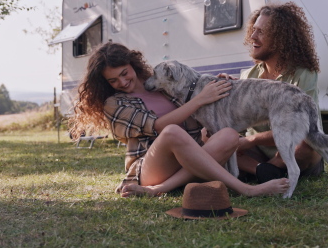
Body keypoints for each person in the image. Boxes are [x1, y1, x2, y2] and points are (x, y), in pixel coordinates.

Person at [70, 42, 289, 197]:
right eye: (113, 80)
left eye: (125, 73)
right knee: (172, 132)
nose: (123, 81)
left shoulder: (162, 84)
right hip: (152, 166)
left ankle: (160, 190)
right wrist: (201, 99)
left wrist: (218, 87)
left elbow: (200, 104)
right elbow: (158, 126)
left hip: (192, 157)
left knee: (229, 135)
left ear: (132, 64)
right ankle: (246, 189)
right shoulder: (115, 104)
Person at [237, 2, 324, 183]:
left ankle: (268, 170)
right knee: (217, 137)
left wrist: (252, 140)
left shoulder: (303, 74)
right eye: (253, 30)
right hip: (259, 155)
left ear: (280, 38)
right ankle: (262, 171)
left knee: (307, 144)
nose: (253, 36)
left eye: (261, 31)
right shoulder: (247, 77)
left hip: (296, 153)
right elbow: (238, 123)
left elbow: (299, 128)